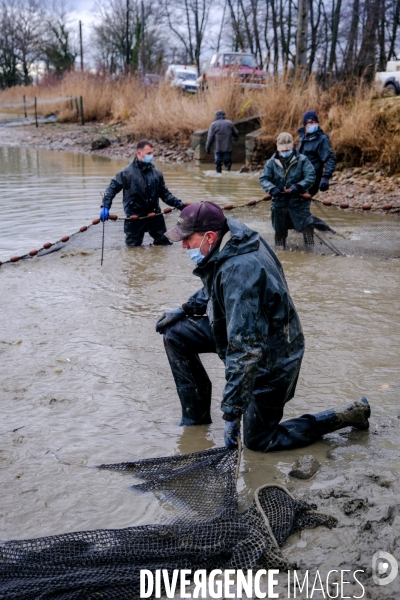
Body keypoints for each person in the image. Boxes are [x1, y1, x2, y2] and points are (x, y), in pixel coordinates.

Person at [155, 201, 370, 452]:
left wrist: (231, 414)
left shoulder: (240, 271)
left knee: (259, 442)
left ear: (209, 237)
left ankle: (347, 415)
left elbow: (245, 350)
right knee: (175, 334)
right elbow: (215, 282)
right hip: (240, 331)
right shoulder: (232, 237)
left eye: (187, 240)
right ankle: (196, 420)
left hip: (272, 358)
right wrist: (186, 308)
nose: (183, 246)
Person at [99, 139, 185, 246]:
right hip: (134, 218)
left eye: (152, 152)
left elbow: (165, 194)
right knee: (133, 250)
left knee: (164, 245)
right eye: (149, 153)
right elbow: (111, 189)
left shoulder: (157, 173)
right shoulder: (125, 173)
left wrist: (180, 205)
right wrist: (105, 206)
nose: (152, 156)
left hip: (155, 215)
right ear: (139, 153)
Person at [259, 132, 318, 247]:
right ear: (277, 146)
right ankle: (281, 253)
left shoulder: (302, 160)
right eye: (283, 150)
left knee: (307, 227)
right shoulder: (271, 163)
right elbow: (264, 179)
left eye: (287, 150)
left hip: (299, 203)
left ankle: (311, 250)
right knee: (280, 232)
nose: (285, 152)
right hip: (279, 204)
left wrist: (299, 186)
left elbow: (311, 176)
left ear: (293, 145)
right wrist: (272, 189)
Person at [298, 110, 336, 196]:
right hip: (299, 179)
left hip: (311, 181)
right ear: (305, 125)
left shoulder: (322, 139)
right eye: (311, 122)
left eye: (315, 122)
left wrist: (326, 177)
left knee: (300, 206)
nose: (314, 124)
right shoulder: (302, 138)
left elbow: (331, 158)